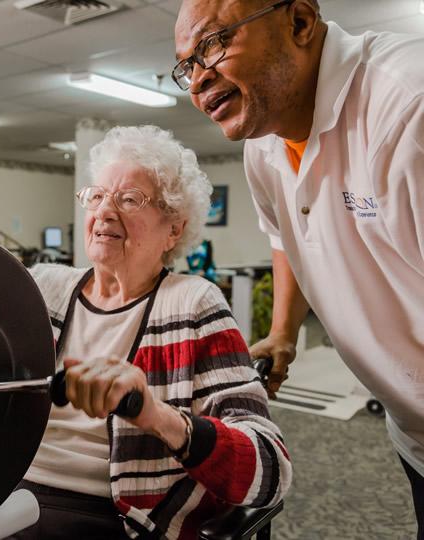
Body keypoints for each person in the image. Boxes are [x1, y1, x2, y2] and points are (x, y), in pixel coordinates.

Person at [172, 0, 424, 536]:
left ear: (301, 22)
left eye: (213, 44)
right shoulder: (263, 146)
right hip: (414, 430)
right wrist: (283, 333)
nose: (197, 82)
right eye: (186, 66)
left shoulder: (409, 108)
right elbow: (285, 234)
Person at [10, 125, 291, 539]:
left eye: (129, 199)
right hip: (5, 486)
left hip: (118, 516)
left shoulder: (194, 303)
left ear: (173, 229)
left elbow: (269, 469)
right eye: (98, 195)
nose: (105, 211)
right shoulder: (43, 287)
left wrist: (153, 414)